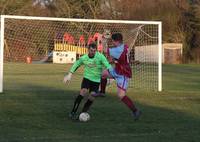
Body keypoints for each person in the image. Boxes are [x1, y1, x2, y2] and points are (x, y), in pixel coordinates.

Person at [63, 43, 112, 120]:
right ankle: (73, 111)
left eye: (94, 51)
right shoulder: (84, 58)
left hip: (96, 80)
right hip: (87, 78)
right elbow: (76, 64)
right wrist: (70, 74)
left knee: (92, 97)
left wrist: (111, 75)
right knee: (83, 91)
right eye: (91, 50)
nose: (93, 52)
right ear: (88, 50)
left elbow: (108, 65)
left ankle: (83, 113)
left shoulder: (100, 56)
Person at [100, 33, 141, 120]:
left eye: (113, 41)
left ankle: (135, 110)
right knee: (103, 74)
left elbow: (105, 50)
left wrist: (103, 40)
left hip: (122, 74)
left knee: (121, 95)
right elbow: (114, 58)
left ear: (116, 41)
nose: (112, 43)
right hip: (117, 70)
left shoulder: (118, 50)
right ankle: (102, 92)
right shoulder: (124, 46)